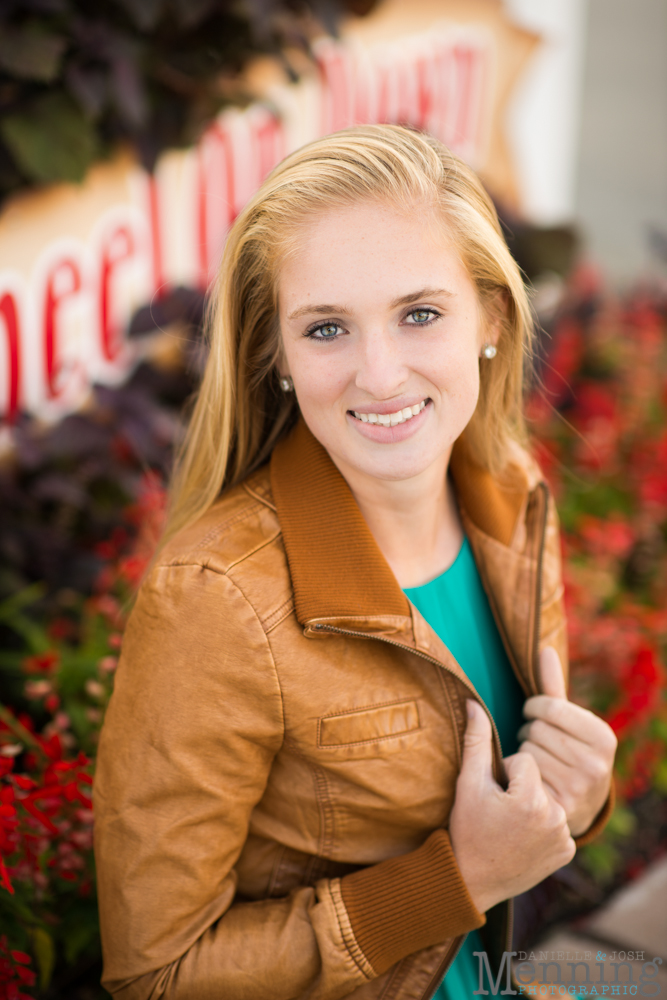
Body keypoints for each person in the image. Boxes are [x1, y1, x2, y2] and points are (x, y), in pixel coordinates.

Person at [93, 125, 617, 1000]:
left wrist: (579, 790)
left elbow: (523, 815)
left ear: (489, 315)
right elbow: (155, 973)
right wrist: (455, 882)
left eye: (419, 314)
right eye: (327, 327)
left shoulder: (509, 495)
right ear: (279, 355)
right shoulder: (217, 600)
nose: (379, 375)